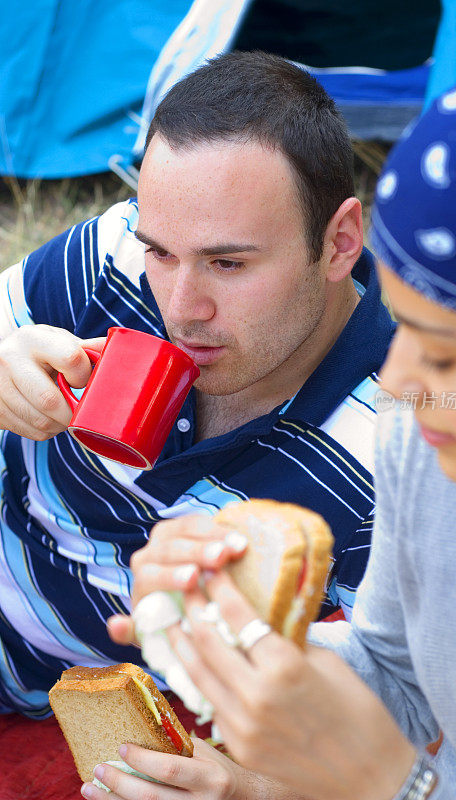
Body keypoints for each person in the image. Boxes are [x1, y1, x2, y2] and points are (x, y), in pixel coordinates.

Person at [108, 40, 456, 800]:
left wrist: (390, 785)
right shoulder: (431, 446)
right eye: (401, 327)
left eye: (444, 355)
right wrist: (243, 633)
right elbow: (394, 670)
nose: (395, 389)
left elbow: (400, 772)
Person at [0, 51, 393, 796]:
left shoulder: (399, 456)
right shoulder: (114, 255)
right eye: (162, 252)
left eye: (228, 263)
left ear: (340, 241)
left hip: (99, 707)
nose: (181, 307)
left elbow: (398, 728)